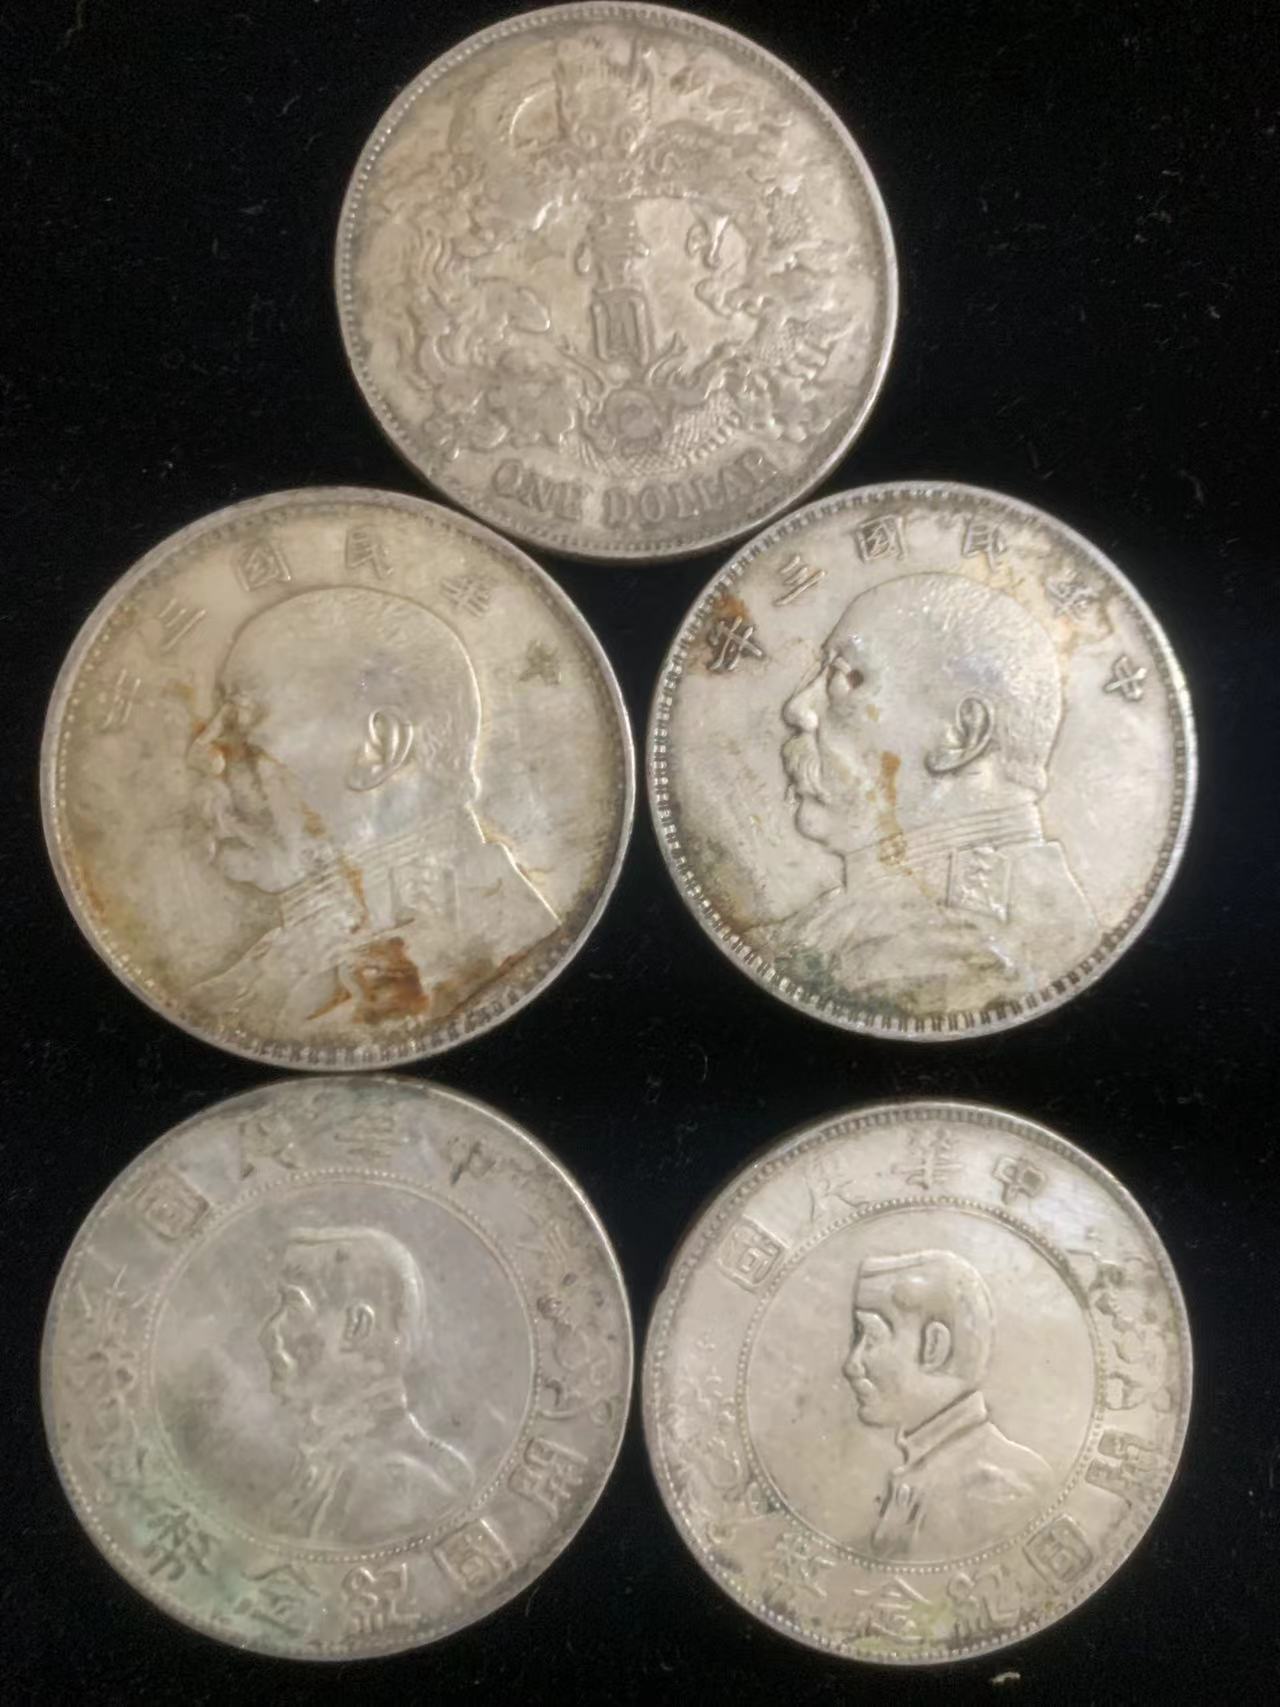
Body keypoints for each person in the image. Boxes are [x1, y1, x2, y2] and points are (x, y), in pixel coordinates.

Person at [186, 585, 558, 1033]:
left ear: (379, 750)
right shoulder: (245, 991)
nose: (204, 752)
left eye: (243, 718)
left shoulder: (494, 950)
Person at [749, 572, 1098, 1013]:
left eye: (844, 678)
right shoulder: (865, 916)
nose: (797, 707)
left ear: (961, 736)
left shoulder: (945, 954)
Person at [259, 1224, 472, 1544]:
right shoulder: (327, 1467)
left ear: (356, 1327)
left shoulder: (396, 1491)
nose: (269, 1332)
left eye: (292, 1307)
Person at [842, 1249, 1052, 1560]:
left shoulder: (997, 1493)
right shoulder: (924, 1471)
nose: (852, 1364)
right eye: (856, 1339)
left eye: (871, 1339)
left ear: (934, 1348)